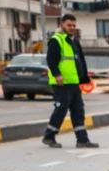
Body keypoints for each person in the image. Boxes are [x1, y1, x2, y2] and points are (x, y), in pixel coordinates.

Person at [42, 14, 98, 149]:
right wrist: (57, 75)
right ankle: (49, 136)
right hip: (61, 83)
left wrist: (84, 77)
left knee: (78, 110)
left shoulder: (74, 41)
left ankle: (82, 140)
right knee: (61, 109)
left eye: (74, 25)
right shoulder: (57, 40)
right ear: (62, 25)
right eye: (69, 25)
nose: (72, 28)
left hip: (73, 82)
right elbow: (50, 60)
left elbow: (80, 60)